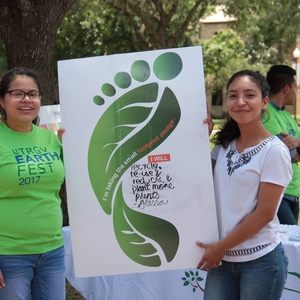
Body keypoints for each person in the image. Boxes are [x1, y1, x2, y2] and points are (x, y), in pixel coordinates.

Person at [196, 70, 292, 300]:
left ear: (264, 102)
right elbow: (198, 183)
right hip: (222, 261)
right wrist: (200, 138)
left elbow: (264, 214)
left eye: (249, 95)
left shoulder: (274, 151)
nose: (240, 102)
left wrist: (220, 247)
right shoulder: (224, 145)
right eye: (233, 96)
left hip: (260, 262)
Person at [0, 67, 66, 299]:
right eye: (17, 93)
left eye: (33, 94)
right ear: (2, 100)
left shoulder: (52, 138)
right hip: (9, 255)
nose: (26, 99)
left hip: (53, 251)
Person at [263, 65, 300, 225]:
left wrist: (297, 142)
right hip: (279, 193)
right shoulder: (267, 114)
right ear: (286, 88)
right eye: (295, 88)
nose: (296, 92)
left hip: (294, 192)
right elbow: (289, 155)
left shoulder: (286, 114)